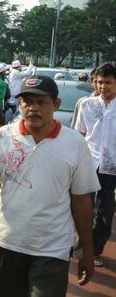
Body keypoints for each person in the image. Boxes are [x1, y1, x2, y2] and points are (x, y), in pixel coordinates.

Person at [0, 75, 99, 297]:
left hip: (52, 250)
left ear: (55, 105)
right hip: (6, 243)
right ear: (19, 104)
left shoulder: (75, 143)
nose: (33, 108)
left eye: (41, 102)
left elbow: (82, 201)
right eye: (27, 101)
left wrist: (87, 249)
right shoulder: (3, 137)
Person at [73, 62, 116, 267]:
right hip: (87, 164)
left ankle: (96, 249)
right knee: (82, 208)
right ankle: (81, 247)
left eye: (107, 82)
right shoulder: (86, 105)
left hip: (112, 167)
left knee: (105, 210)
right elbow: (79, 134)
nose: (102, 86)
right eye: (99, 82)